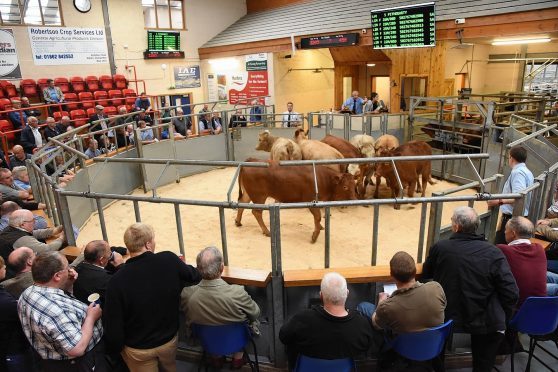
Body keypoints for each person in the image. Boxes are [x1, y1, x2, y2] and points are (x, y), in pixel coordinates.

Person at [423, 206, 518, 372]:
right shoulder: (494, 252)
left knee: (435, 347)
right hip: (484, 317)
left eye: (452, 221)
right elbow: (511, 292)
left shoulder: (441, 247)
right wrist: (504, 318)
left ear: (457, 227)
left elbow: (426, 274)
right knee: (483, 364)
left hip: (446, 313)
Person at [103, 223, 201, 372]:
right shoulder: (169, 259)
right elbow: (195, 275)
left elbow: (113, 322)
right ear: (148, 244)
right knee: (170, 368)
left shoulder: (116, 281)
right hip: (168, 340)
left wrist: (116, 350)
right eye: (153, 240)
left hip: (138, 348)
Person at [18, 251, 106, 371]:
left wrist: (68, 284)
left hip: (52, 361)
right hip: (79, 363)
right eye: (67, 267)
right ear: (57, 276)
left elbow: (61, 301)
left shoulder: (27, 293)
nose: (70, 270)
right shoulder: (55, 311)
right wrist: (91, 318)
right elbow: (77, 349)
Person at [181, 246, 260, 369]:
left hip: (207, 342)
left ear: (198, 269)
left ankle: (216, 359)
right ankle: (237, 359)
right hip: (237, 340)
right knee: (245, 322)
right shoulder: (237, 293)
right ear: (222, 268)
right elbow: (255, 313)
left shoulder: (187, 294)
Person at [279, 272, 374, 369]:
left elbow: (283, 336)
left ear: (321, 295)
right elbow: (366, 346)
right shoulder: (361, 324)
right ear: (347, 293)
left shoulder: (302, 319)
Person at [357, 252, 446, 334]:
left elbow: (376, 325)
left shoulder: (387, 307)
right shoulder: (436, 288)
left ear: (392, 275)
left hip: (403, 346)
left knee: (363, 306)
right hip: (434, 344)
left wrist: (381, 302)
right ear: (415, 271)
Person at [499, 217, 558, 298]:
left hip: (519, 301)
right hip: (537, 299)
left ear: (513, 233)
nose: (505, 232)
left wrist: (542, 228)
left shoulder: (502, 250)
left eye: (506, 229)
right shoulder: (539, 248)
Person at [487, 146, 534, 245]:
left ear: (511, 158)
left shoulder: (518, 172)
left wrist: (499, 201)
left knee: (500, 248)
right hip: (520, 217)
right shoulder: (527, 172)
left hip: (512, 219)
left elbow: (519, 195)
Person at [0, 256, 34, 372]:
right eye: (1, 266)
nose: (5, 267)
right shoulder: (6, 303)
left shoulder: (4, 287)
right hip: (14, 351)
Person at [0, 209, 65, 266]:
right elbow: (47, 250)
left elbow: (35, 233)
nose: (35, 222)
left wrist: (55, 231)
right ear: (22, 224)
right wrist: (61, 238)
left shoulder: (10, 229)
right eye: (32, 220)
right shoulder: (21, 239)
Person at [74, 240, 124, 306]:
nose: (111, 256)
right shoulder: (105, 280)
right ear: (101, 260)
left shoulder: (77, 268)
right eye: (110, 255)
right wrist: (120, 266)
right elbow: (125, 288)